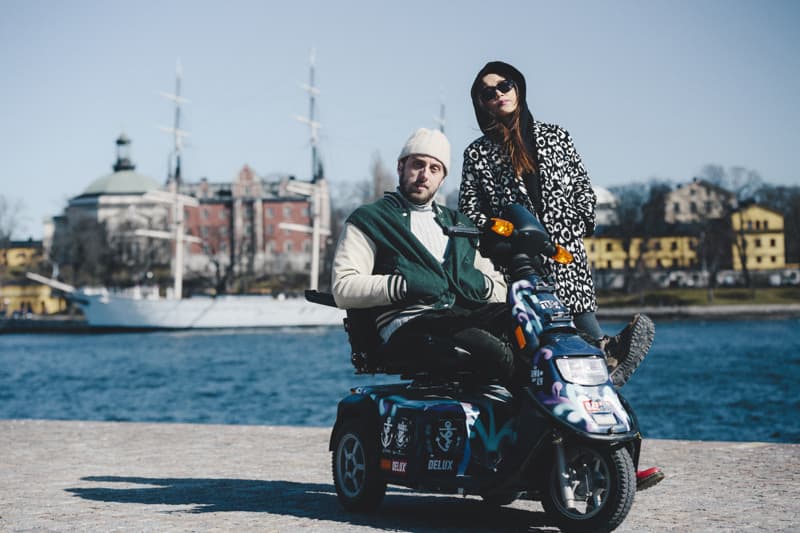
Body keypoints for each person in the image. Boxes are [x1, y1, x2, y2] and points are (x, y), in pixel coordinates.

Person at [460, 61, 663, 491]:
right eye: (486, 92)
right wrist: (501, 232)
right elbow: (471, 210)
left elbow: (585, 192)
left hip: (567, 268)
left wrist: (572, 225)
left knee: (587, 368)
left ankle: (621, 455)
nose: (497, 94)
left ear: (520, 88)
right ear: (480, 103)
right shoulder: (477, 153)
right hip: (516, 274)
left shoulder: (555, 136)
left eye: (505, 85)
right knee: (538, 368)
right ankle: (540, 455)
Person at [332, 127, 515, 382]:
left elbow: (498, 287)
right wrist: (404, 285)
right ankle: (525, 417)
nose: (424, 175)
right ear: (401, 167)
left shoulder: (459, 224)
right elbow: (343, 287)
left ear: (442, 179)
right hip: (409, 325)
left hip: (461, 317)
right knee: (493, 351)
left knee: (531, 326)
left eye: (434, 169)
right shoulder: (371, 219)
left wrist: (473, 283)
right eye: (418, 165)